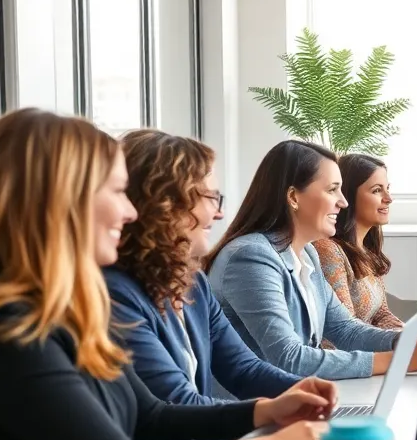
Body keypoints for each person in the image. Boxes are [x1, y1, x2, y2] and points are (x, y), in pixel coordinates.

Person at [0, 110, 333, 440]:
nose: (129, 212)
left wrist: (264, 413)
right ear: (60, 200)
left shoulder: (68, 311)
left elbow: (151, 415)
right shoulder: (4, 328)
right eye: (116, 192)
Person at [207, 140, 417, 380]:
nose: (343, 202)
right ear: (293, 196)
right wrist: (399, 358)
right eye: (332, 189)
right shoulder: (250, 257)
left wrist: (413, 340)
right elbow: (288, 358)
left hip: (294, 400)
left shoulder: (306, 254)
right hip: (254, 410)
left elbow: (345, 330)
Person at [106, 130, 302, 406]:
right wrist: (270, 413)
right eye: (211, 197)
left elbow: (243, 370)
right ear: (165, 202)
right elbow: (177, 403)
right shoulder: (116, 292)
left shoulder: (192, 282)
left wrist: (308, 391)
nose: (219, 213)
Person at [313, 153, 403, 330]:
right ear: (348, 195)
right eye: (377, 190)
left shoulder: (365, 250)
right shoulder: (328, 251)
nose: (388, 198)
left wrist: (415, 336)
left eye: (387, 188)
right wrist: (400, 342)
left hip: (372, 350)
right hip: (346, 355)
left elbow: (381, 314)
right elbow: (345, 332)